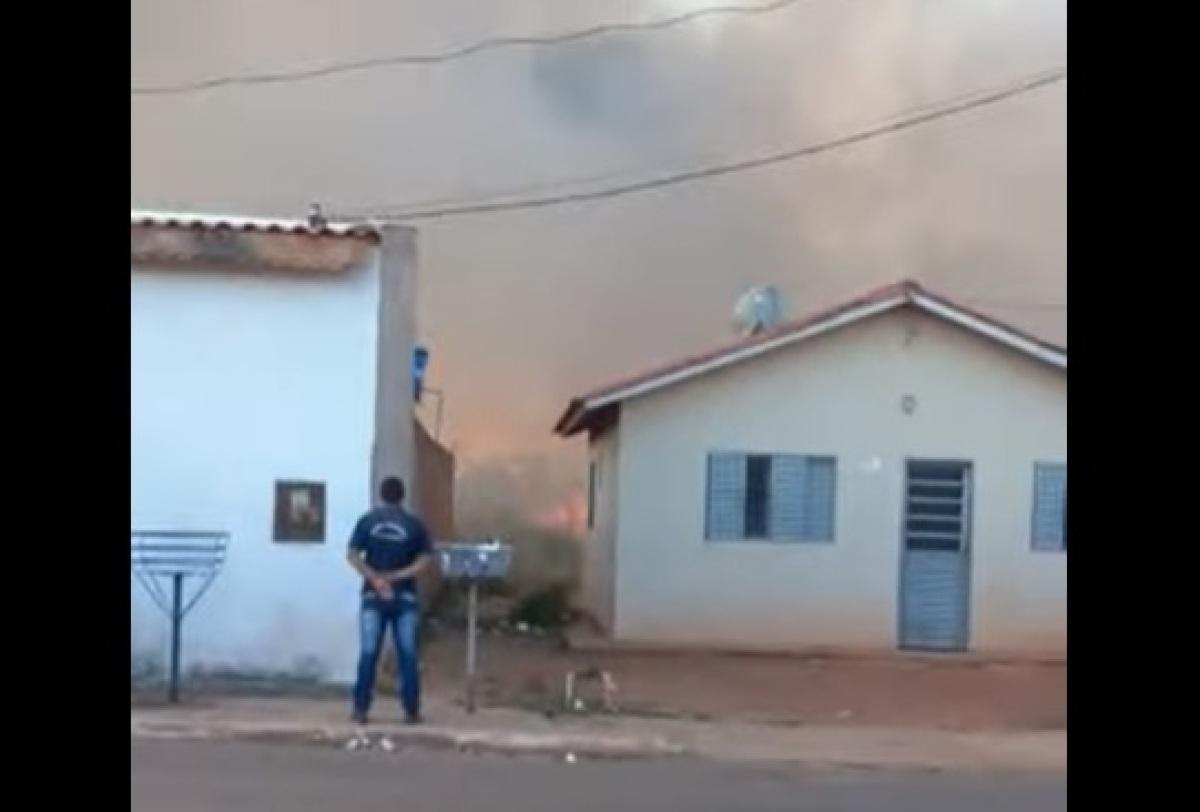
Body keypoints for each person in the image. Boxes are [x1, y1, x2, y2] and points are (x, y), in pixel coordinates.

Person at [346, 475, 432, 725]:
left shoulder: (367, 521)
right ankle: (411, 711)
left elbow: (352, 555)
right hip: (405, 597)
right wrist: (396, 577)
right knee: (407, 654)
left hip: (372, 596)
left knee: (369, 653)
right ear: (402, 496)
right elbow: (425, 560)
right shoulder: (414, 525)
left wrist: (376, 579)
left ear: (382, 495)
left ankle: (361, 709)